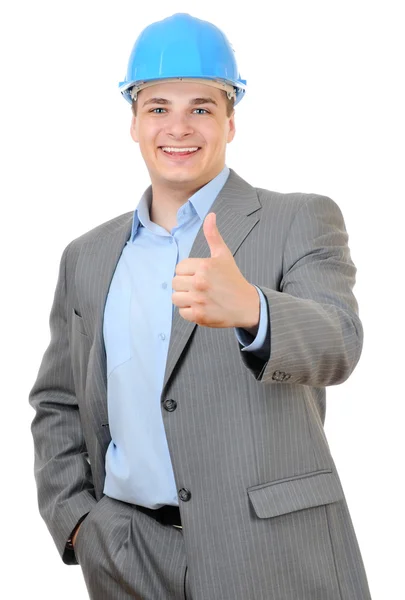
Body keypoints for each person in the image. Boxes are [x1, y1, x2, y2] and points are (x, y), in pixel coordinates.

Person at [29, 12, 372, 600]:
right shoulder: (86, 256)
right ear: (133, 123)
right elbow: (57, 400)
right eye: (158, 107)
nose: (178, 127)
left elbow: (339, 342)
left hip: (270, 555)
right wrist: (79, 523)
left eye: (202, 108)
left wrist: (254, 310)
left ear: (231, 121)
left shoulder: (299, 220)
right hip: (126, 556)